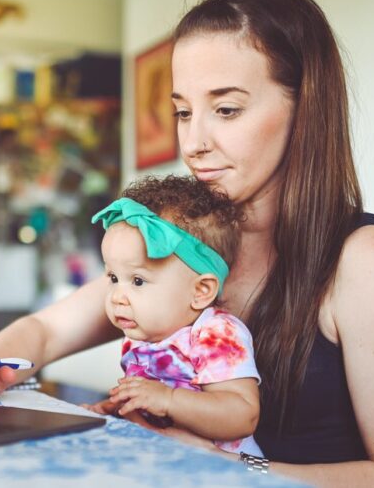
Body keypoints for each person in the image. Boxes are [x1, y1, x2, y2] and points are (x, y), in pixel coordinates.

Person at [0, 0, 374, 485]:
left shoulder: (368, 260)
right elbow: (44, 332)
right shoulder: (184, 244)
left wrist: (232, 468)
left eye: (227, 109)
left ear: (304, 110)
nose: (193, 143)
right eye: (183, 112)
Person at [84, 175, 262, 456]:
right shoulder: (142, 336)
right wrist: (112, 407)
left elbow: (242, 415)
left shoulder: (215, 333)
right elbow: (150, 404)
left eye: (138, 281)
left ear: (201, 291)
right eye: (114, 277)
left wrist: (167, 399)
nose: (117, 296)